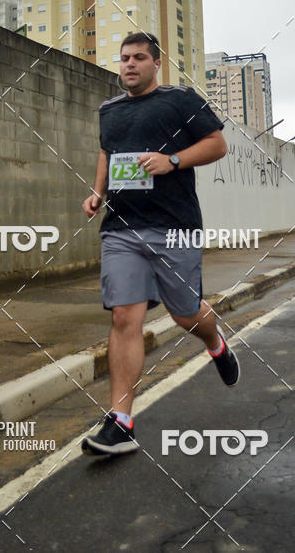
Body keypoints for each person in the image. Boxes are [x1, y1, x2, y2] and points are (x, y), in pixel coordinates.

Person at [81, 32, 239, 456]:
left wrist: (172, 161)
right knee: (124, 320)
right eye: (124, 58)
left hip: (175, 227)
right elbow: (105, 153)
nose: (129, 65)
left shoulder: (180, 101)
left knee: (185, 315)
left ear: (156, 63)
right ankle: (121, 422)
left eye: (138, 58)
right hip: (122, 230)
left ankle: (215, 343)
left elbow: (217, 145)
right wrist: (97, 192)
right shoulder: (109, 110)